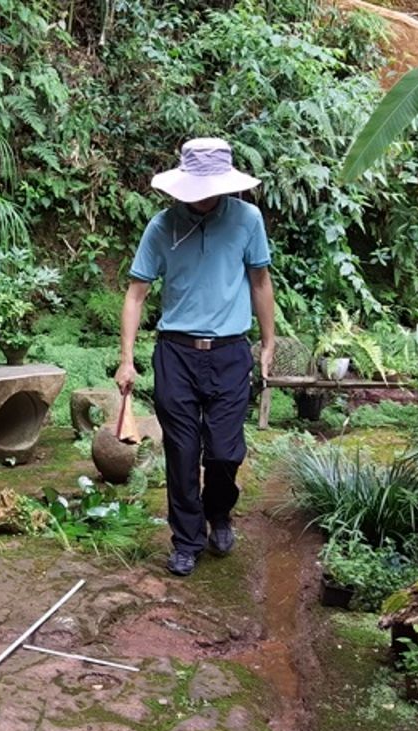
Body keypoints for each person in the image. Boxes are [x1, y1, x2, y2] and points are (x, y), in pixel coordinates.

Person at [114, 137, 276, 577]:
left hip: (229, 352)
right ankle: (187, 539)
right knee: (182, 452)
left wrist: (268, 342)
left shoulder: (247, 219)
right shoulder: (162, 226)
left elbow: (260, 283)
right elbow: (136, 295)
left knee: (225, 452)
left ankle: (219, 512)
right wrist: (126, 359)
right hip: (176, 355)